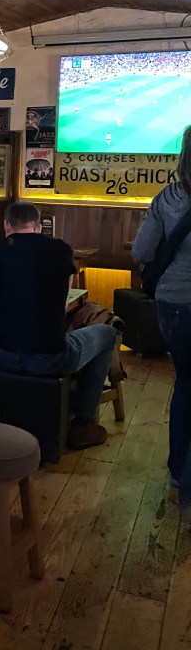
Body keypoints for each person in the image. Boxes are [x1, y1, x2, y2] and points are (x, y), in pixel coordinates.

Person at [0, 200, 117, 450]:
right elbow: (63, 302)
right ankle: (83, 424)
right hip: (49, 358)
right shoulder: (59, 250)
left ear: (6, 225)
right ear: (38, 227)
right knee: (107, 334)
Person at [132, 123, 191, 488]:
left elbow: (141, 251)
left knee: (185, 383)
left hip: (174, 304)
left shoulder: (168, 198)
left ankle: (178, 470)